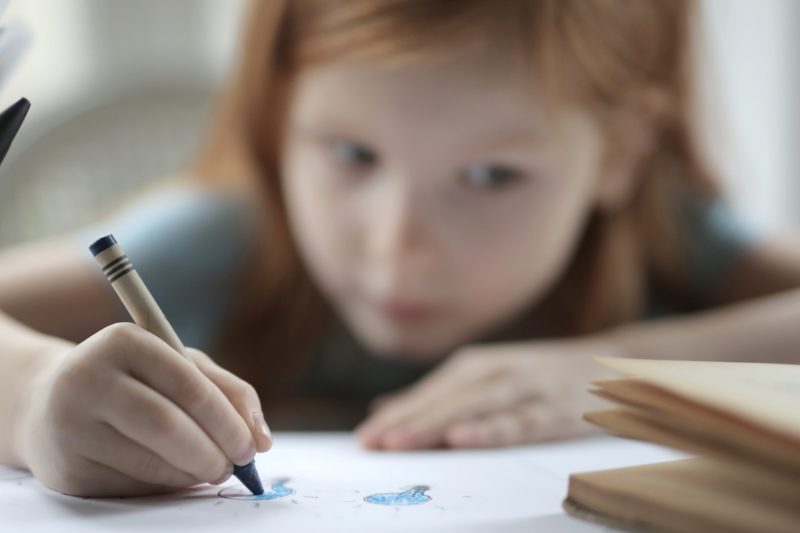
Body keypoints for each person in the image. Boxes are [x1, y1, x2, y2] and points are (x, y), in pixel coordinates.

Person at [1, 0, 799, 497]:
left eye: (491, 174)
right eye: (351, 155)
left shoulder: (663, 241)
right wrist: (33, 397)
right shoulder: (228, 238)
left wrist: (611, 372)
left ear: (622, 152)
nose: (396, 247)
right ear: (282, 118)